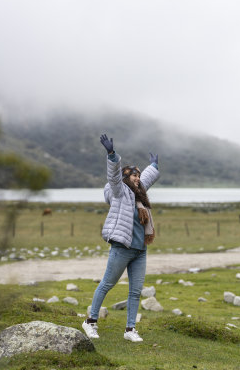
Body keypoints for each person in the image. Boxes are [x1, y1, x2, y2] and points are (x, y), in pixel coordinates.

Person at [82, 134, 160, 342]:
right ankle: (90, 322)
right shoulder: (120, 191)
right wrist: (111, 154)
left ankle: (130, 330)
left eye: (139, 176)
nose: (138, 178)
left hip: (139, 250)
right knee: (107, 283)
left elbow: (145, 180)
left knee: (136, 291)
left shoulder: (139, 196)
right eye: (134, 176)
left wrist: (153, 167)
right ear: (126, 179)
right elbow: (115, 176)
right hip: (122, 247)